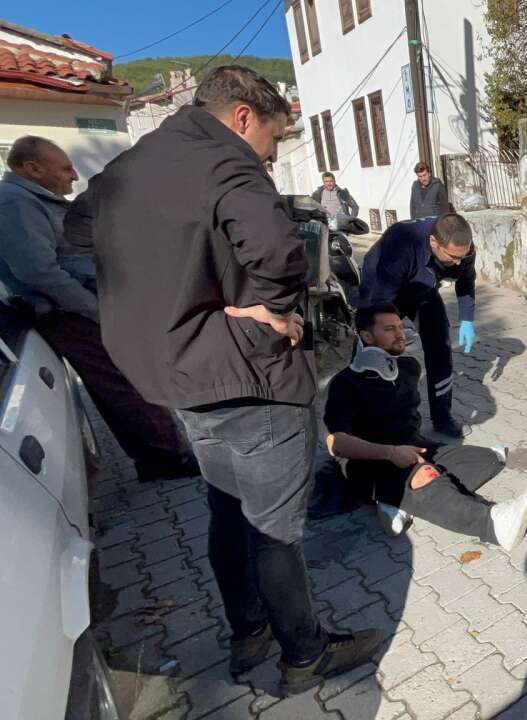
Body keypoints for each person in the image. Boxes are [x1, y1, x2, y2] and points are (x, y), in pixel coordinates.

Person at [74, 66, 384, 694]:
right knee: (274, 528)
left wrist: (171, 298)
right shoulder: (228, 163)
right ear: (244, 117)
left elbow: (78, 235)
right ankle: (305, 653)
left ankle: (249, 633)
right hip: (251, 379)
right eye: (274, 139)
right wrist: (272, 308)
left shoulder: (132, 165)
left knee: (227, 512)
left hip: (179, 380)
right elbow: (278, 253)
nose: (273, 155)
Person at [0, 136, 197, 483]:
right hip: (69, 313)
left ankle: (161, 455)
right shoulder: (15, 203)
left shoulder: (31, 200)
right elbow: (39, 271)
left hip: (80, 308)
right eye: (65, 169)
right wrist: (94, 309)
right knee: (122, 383)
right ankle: (166, 459)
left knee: (124, 380)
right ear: (33, 169)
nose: (74, 176)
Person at [317, 303, 527, 545]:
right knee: (424, 474)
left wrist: (409, 453)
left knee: (491, 458)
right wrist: (391, 453)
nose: (400, 334)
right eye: (390, 329)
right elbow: (336, 444)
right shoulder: (344, 384)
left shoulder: (408, 369)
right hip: (368, 462)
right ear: (367, 336)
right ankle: (493, 523)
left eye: (400, 327)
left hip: (412, 446)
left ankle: (399, 501)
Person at [357, 213, 476, 439]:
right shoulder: (402, 243)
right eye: (452, 257)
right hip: (381, 286)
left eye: (463, 256)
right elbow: (383, 300)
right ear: (434, 242)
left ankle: (442, 417)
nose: (458, 262)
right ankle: (365, 412)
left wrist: (467, 320)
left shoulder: (463, 247)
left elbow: (466, 281)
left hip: (422, 288)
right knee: (373, 348)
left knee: (440, 347)